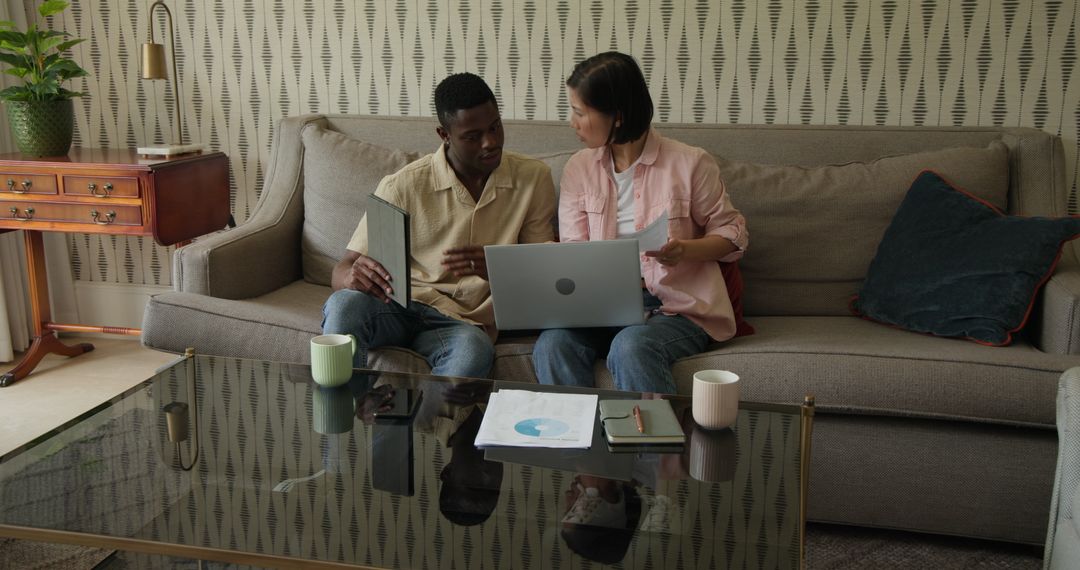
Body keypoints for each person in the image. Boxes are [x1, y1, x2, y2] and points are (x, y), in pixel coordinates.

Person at [532, 52, 748, 394]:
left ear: (617, 116)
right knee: (552, 344)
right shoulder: (578, 168)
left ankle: (659, 449)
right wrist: (556, 260)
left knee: (632, 346)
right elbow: (575, 250)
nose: (571, 122)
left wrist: (686, 250)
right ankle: (574, 446)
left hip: (676, 308)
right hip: (600, 306)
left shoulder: (690, 163)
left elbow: (734, 235)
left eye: (579, 112)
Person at [322, 72, 556, 378]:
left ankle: (426, 426)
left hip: (463, 323)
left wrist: (502, 268)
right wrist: (352, 277)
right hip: (400, 306)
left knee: (474, 351)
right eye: (473, 136)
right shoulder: (402, 186)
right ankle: (346, 418)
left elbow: (546, 270)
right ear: (444, 134)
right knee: (344, 306)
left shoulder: (533, 178)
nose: (491, 142)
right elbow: (343, 269)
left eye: (495, 127)